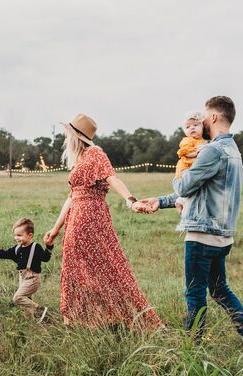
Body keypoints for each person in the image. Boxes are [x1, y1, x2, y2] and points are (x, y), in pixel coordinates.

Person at [137, 96, 243, 350]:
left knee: (194, 293)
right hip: (223, 235)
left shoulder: (212, 150)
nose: (202, 121)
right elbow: (201, 192)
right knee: (219, 290)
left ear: (214, 117)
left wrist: (180, 169)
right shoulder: (233, 151)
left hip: (201, 234)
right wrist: (161, 201)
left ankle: (192, 348)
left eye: (205, 116)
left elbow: (184, 185)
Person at [44, 113, 162, 329]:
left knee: (106, 266)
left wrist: (131, 200)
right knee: (76, 270)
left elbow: (112, 177)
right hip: (76, 218)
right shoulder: (80, 159)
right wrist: (55, 228)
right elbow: (72, 196)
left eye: (67, 134)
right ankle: (81, 320)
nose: (64, 138)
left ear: (76, 136)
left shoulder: (95, 153)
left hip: (90, 217)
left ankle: (117, 317)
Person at [0, 218, 53, 323]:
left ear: (30, 235)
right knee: (26, 304)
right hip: (22, 278)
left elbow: (45, 258)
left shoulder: (35, 247)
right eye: (15, 235)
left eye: (19, 235)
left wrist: (49, 246)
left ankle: (40, 310)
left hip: (32, 278)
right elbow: (4, 254)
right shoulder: (17, 249)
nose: (16, 238)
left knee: (18, 298)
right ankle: (36, 321)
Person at [175, 112, 208, 213]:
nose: (192, 128)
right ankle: (181, 201)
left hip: (194, 168)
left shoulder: (204, 141)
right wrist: (197, 152)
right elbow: (185, 153)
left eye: (195, 125)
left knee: (197, 186)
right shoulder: (187, 140)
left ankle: (181, 201)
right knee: (189, 184)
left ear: (202, 127)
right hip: (185, 168)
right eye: (188, 127)